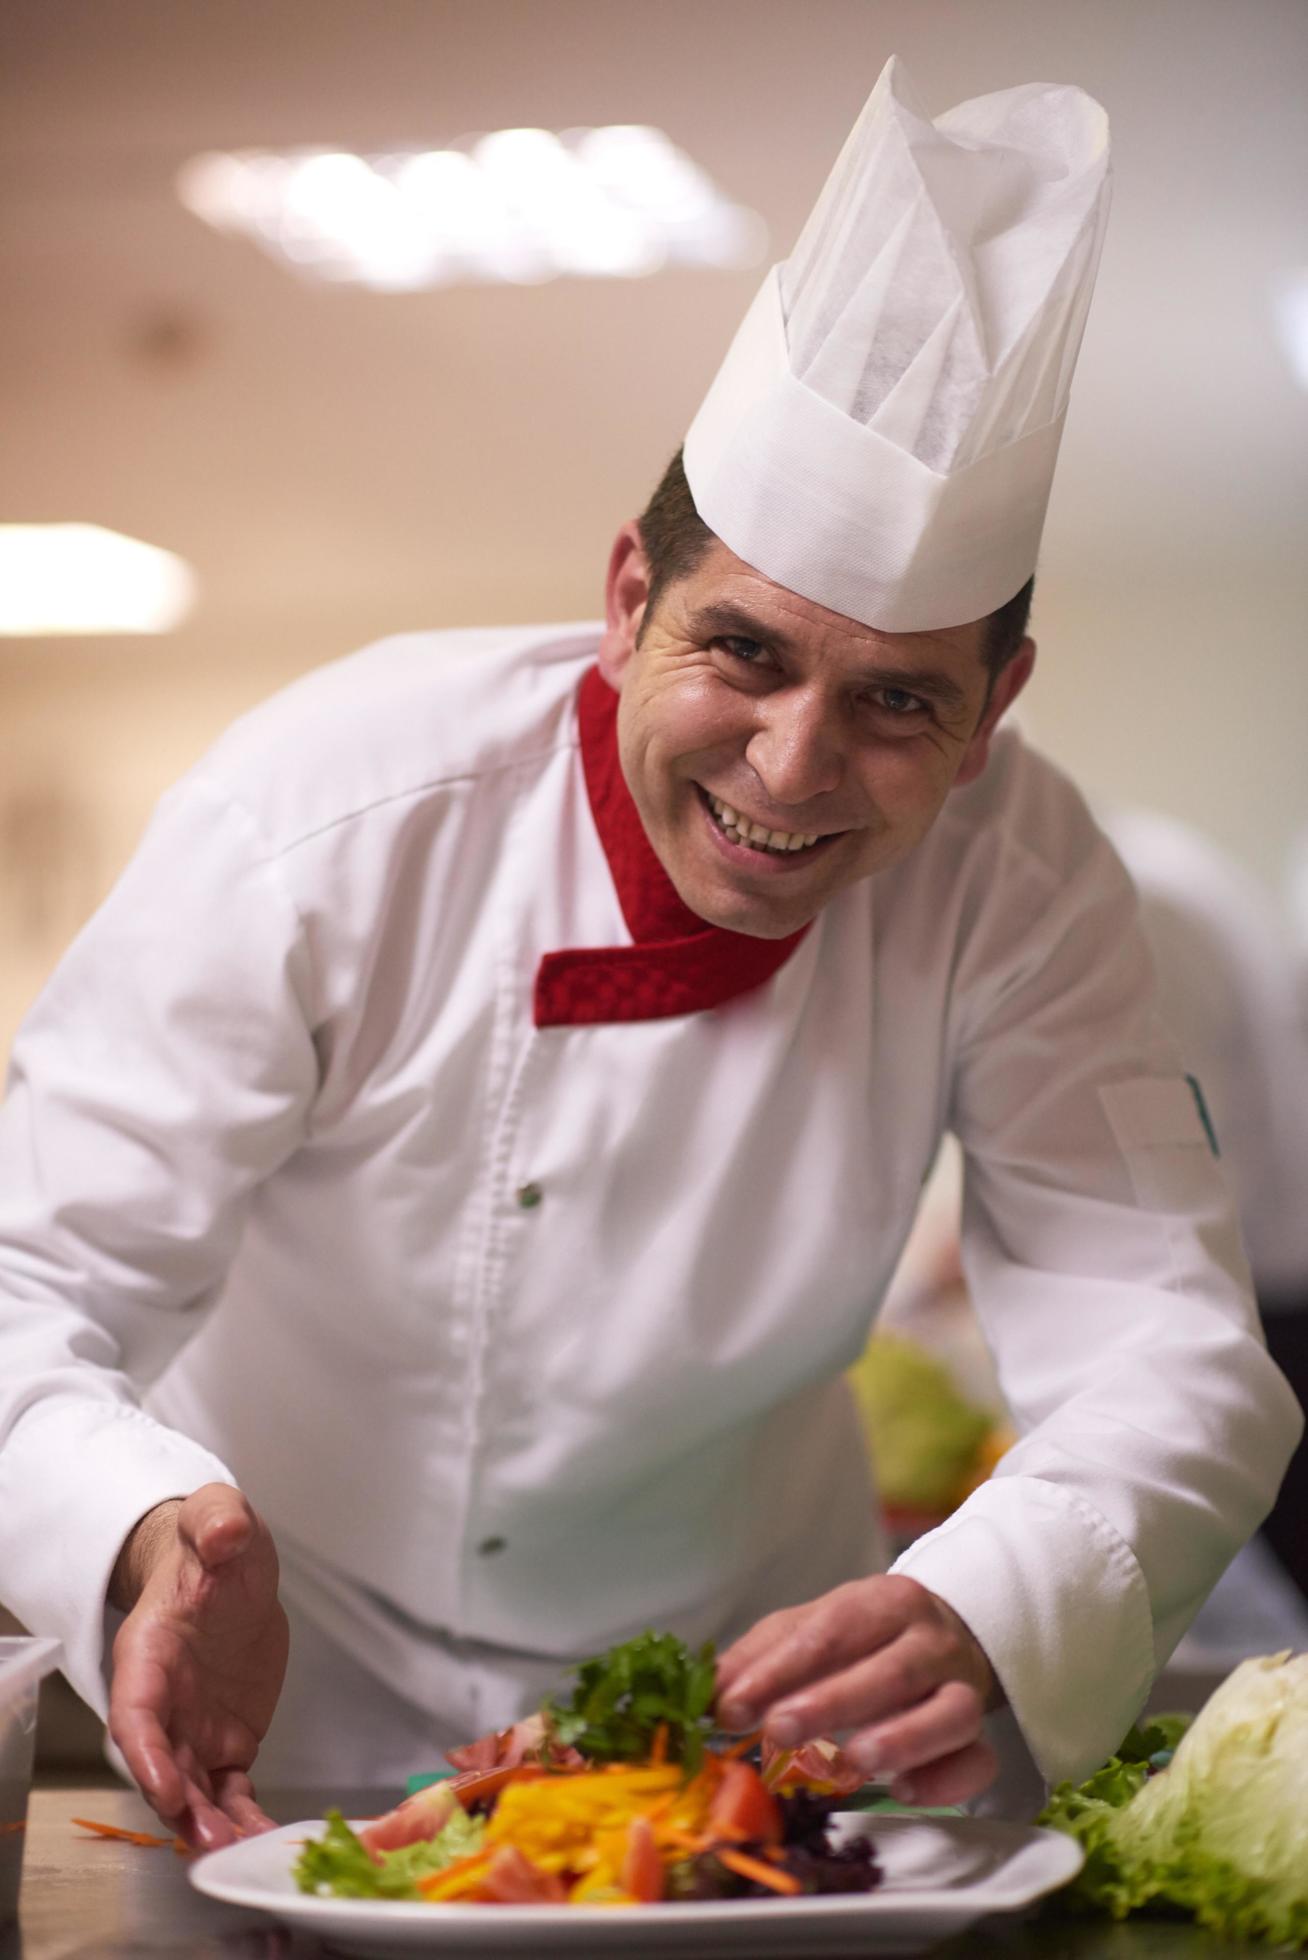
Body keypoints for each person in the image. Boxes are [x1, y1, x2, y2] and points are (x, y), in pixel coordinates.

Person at [0, 57, 1299, 1850]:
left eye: (899, 699)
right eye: (744, 655)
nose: (793, 768)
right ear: (627, 597)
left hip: (740, 1736)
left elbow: (1166, 1344)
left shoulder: (1025, 875)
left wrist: (985, 1605)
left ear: (998, 702)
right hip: (278, 1716)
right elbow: (23, 1281)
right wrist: (148, 1528)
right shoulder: (322, 814)